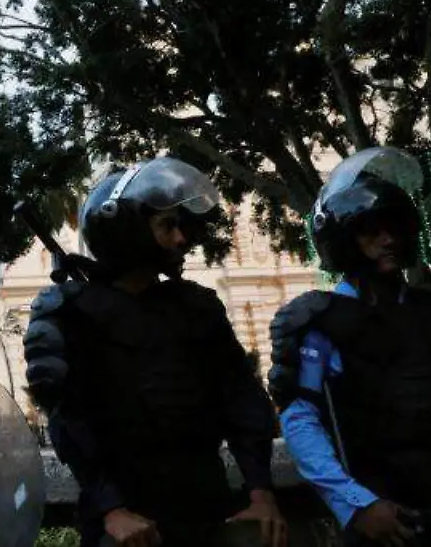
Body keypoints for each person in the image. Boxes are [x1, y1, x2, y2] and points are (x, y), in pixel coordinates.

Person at [22, 157, 287, 547]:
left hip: (208, 509)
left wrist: (261, 493)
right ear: (125, 228)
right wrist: (111, 509)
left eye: (181, 226)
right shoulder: (71, 312)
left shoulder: (198, 308)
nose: (181, 239)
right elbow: (69, 420)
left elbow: (242, 401)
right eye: (167, 226)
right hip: (126, 524)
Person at [269, 146, 431, 546]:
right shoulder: (319, 321)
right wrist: (355, 504)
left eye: (394, 228)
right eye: (371, 231)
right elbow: (300, 418)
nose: (389, 240)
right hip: (385, 518)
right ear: (344, 238)